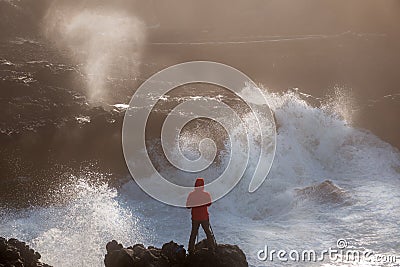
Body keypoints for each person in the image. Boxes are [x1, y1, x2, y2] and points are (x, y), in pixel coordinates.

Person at [186, 177, 216, 255]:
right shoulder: (206, 194)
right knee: (208, 232)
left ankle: (190, 250)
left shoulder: (191, 195)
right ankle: (211, 248)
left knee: (193, 233)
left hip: (195, 217)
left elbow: (188, 206)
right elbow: (209, 204)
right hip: (204, 217)